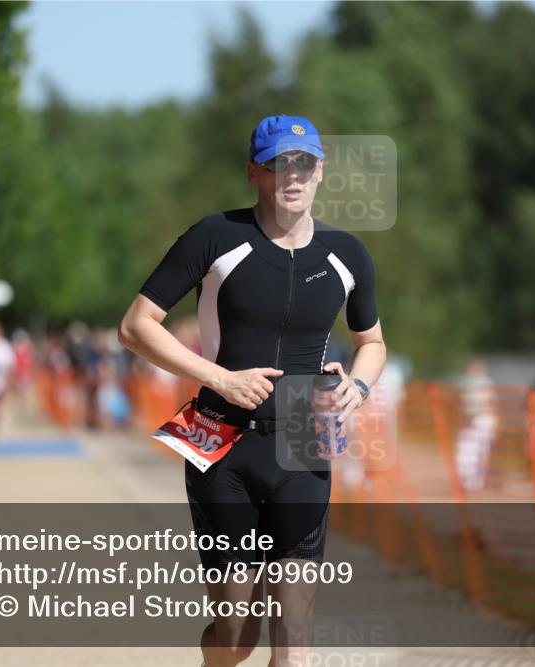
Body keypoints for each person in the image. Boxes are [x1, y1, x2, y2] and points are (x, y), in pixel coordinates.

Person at [118, 114, 386, 667]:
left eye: (303, 162)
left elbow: (373, 342)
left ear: (320, 172)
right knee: (237, 633)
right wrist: (218, 377)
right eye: (277, 163)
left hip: (301, 437)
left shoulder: (348, 253)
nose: (292, 174)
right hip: (220, 436)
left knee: (296, 634)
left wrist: (357, 385)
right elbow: (136, 326)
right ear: (254, 173)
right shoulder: (215, 237)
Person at [455, 357, 497, 493]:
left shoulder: (482, 384)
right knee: (472, 452)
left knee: (478, 452)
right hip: (474, 421)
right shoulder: (470, 383)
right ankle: (470, 481)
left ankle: (474, 482)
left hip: (481, 420)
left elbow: (488, 404)